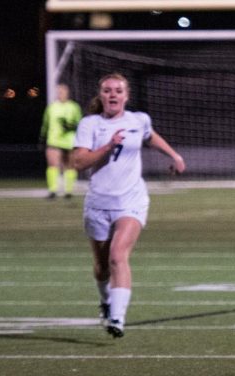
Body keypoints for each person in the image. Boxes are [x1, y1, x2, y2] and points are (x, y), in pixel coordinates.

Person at [73, 73, 186, 338]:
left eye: (118, 91)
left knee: (117, 256)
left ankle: (117, 318)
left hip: (131, 201)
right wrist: (108, 146)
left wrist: (174, 155)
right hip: (98, 203)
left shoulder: (139, 120)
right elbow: (79, 162)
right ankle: (105, 301)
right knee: (101, 266)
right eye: (107, 90)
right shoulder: (90, 124)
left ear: (127, 95)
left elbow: (150, 136)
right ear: (101, 96)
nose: (113, 95)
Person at [40, 83, 83, 199]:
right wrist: (42, 138)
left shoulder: (74, 107)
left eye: (63, 91)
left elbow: (80, 124)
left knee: (69, 166)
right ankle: (52, 190)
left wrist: (70, 126)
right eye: (59, 92)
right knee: (53, 165)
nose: (61, 94)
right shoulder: (52, 107)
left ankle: (68, 191)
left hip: (69, 141)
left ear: (67, 93)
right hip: (53, 140)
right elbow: (45, 123)